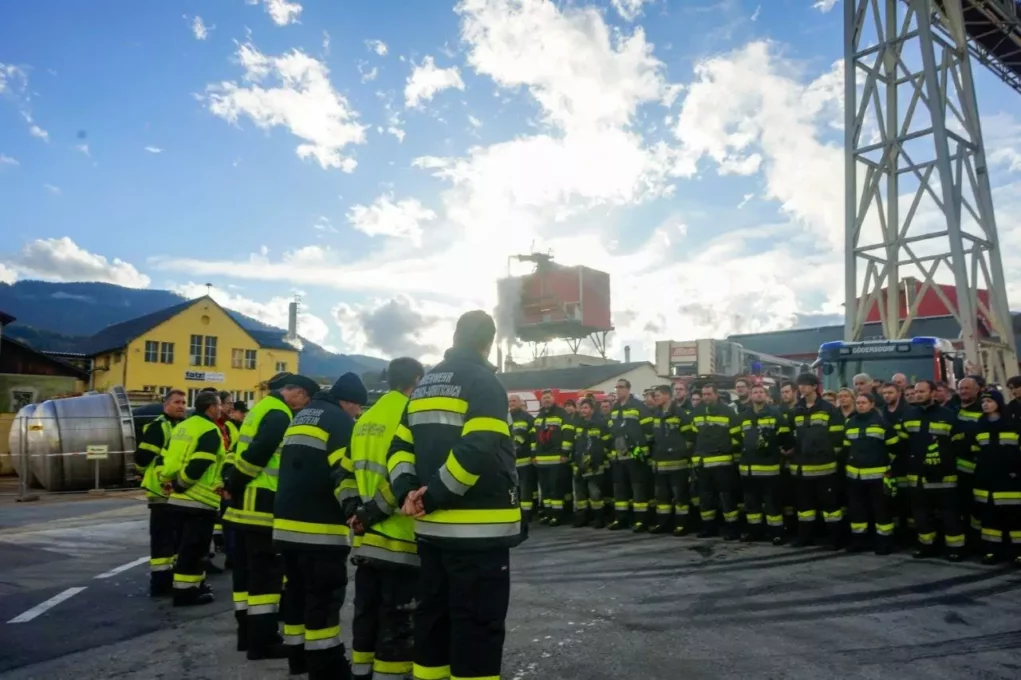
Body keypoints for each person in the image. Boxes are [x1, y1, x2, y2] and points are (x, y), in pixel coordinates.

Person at [388, 310, 523, 680]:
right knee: (477, 625)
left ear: (456, 336)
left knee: (433, 618)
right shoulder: (484, 382)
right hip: (478, 533)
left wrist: (407, 492)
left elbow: (399, 448)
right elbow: (478, 447)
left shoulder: (424, 385)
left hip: (430, 531)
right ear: (488, 342)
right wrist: (432, 496)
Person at [275, 373, 368, 679]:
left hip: (286, 524)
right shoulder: (339, 422)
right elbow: (342, 474)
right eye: (358, 407)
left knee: (296, 594)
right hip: (319, 529)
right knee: (323, 598)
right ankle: (325, 665)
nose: (358, 413)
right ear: (348, 402)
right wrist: (355, 511)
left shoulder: (303, 416)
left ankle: (297, 658)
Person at [224, 374, 319, 659]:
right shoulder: (279, 414)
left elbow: (236, 450)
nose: (304, 407)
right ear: (298, 393)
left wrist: (230, 481)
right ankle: (263, 642)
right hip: (262, 508)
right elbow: (258, 454)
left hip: (242, 508)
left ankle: (246, 636)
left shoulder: (260, 409)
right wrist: (236, 481)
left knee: (244, 578)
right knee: (265, 580)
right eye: (306, 401)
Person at [348, 358, 425, 680]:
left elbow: (345, 471)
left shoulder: (366, 417)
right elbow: (402, 478)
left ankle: (360, 671)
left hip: (366, 539)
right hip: (400, 535)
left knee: (366, 612)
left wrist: (355, 512)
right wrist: (372, 513)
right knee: (397, 618)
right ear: (417, 380)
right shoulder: (409, 414)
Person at [161, 390, 227, 606]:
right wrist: (183, 483)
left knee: (184, 548)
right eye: (219, 405)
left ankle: (195, 585)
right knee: (194, 550)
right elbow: (200, 462)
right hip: (198, 500)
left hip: (177, 500)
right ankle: (186, 593)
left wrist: (173, 483)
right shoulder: (209, 429)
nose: (221, 409)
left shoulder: (183, 426)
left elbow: (168, 456)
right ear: (211, 407)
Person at [897, 380, 965, 561]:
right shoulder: (908, 415)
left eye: (922, 391)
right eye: (916, 392)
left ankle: (955, 548)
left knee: (949, 514)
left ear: (933, 393)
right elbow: (902, 445)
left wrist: (948, 464)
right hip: (917, 475)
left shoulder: (949, 416)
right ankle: (927, 546)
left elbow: (959, 444)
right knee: (921, 514)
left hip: (944, 475)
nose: (918, 395)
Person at [135, 389, 186, 597]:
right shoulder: (159, 426)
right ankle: (160, 582)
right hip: (160, 490)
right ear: (166, 405)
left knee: (174, 537)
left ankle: (169, 578)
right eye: (176, 402)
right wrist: (150, 474)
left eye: (183, 402)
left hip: (175, 491)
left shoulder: (180, 426)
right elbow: (142, 458)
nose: (181, 406)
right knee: (162, 538)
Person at [787, 373, 845, 549]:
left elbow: (837, 439)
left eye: (805, 384)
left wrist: (827, 456)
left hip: (824, 468)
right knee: (804, 507)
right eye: (800, 385)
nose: (802, 388)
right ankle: (805, 537)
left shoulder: (829, 410)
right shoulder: (796, 410)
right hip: (801, 469)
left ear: (814, 387)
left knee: (830, 507)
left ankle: (835, 539)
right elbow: (790, 436)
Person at [842, 392, 898, 554]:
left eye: (864, 403)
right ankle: (859, 541)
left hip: (878, 476)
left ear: (872, 404)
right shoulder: (850, 423)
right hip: (854, 476)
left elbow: (894, 448)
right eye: (858, 403)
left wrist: (883, 462)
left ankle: (884, 543)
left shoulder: (882, 423)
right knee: (857, 510)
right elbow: (846, 448)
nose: (860, 405)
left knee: (881, 511)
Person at [971, 389, 1021, 565]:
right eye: (983, 402)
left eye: (990, 401)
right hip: (986, 480)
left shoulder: (1013, 425)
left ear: (999, 403)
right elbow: (974, 451)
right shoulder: (979, 426)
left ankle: (1018, 552)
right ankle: (992, 551)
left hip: (1010, 481)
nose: (985, 405)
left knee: (1015, 518)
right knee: (989, 518)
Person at [737, 384, 791, 545]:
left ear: (766, 396)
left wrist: (775, 448)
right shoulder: (744, 415)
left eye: (761, 392)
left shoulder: (776, 414)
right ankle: (755, 531)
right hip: (748, 469)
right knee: (751, 504)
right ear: (750, 395)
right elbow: (738, 438)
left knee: (772, 503)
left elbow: (785, 437)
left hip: (769, 468)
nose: (758, 394)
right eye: (755, 392)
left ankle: (776, 533)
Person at [690, 383, 742, 540]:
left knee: (726, 497)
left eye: (709, 394)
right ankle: (708, 528)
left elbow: (737, 436)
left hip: (722, 463)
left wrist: (725, 448)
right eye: (704, 394)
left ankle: (732, 529)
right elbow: (694, 436)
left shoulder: (727, 411)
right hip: (703, 463)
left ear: (716, 394)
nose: (706, 397)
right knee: (705, 497)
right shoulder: (697, 411)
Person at [606, 378, 655, 532]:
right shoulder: (615, 408)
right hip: (619, 455)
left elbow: (649, 431)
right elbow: (611, 432)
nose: (618, 390)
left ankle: (641, 520)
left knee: (638, 488)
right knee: (619, 489)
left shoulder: (638, 406)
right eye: (616, 387)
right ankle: (621, 519)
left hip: (635, 454)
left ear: (628, 389)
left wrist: (641, 450)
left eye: (621, 387)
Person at [649, 384, 692, 535]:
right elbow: (653, 438)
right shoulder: (656, 414)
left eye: (658, 395)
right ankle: (663, 524)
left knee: (680, 496)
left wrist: (680, 452)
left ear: (667, 395)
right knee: (662, 497)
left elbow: (689, 438)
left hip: (677, 464)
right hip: (660, 463)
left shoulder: (680, 413)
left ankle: (682, 525)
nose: (655, 398)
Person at [531, 390, 574, 526]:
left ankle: (557, 515)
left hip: (557, 459)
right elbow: (534, 437)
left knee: (556, 488)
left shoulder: (561, 414)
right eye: (544, 398)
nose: (546, 400)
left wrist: (565, 453)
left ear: (553, 399)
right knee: (545, 489)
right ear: (541, 400)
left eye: (548, 397)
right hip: (541, 459)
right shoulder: (539, 416)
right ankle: (548, 513)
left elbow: (568, 433)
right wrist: (533, 454)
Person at [571, 397, 612, 528]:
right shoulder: (578, 425)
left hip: (595, 465)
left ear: (592, 409)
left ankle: (599, 519)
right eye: (581, 408)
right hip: (579, 464)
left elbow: (607, 443)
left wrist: (596, 459)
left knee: (595, 493)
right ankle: (582, 518)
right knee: (580, 494)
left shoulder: (600, 424)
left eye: (586, 408)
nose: (583, 410)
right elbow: (575, 445)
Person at [509, 395, 537, 523]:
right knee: (514, 490)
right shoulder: (506, 418)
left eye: (514, 401)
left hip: (525, 460)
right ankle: (517, 513)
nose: (511, 403)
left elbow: (532, 438)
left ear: (520, 402)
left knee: (526, 489)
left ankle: (527, 515)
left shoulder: (528, 418)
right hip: (511, 462)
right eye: (509, 401)